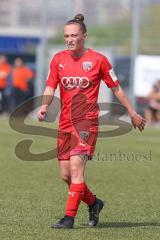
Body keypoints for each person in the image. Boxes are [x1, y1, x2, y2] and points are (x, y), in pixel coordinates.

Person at [38, 14, 146, 229]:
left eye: (74, 35)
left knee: (77, 170)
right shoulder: (58, 59)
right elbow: (50, 86)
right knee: (66, 176)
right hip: (65, 123)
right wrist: (44, 106)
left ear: (84, 36)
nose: (69, 39)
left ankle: (68, 218)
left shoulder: (98, 60)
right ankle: (94, 203)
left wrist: (132, 112)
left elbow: (116, 88)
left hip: (86, 123)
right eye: (66, 36)